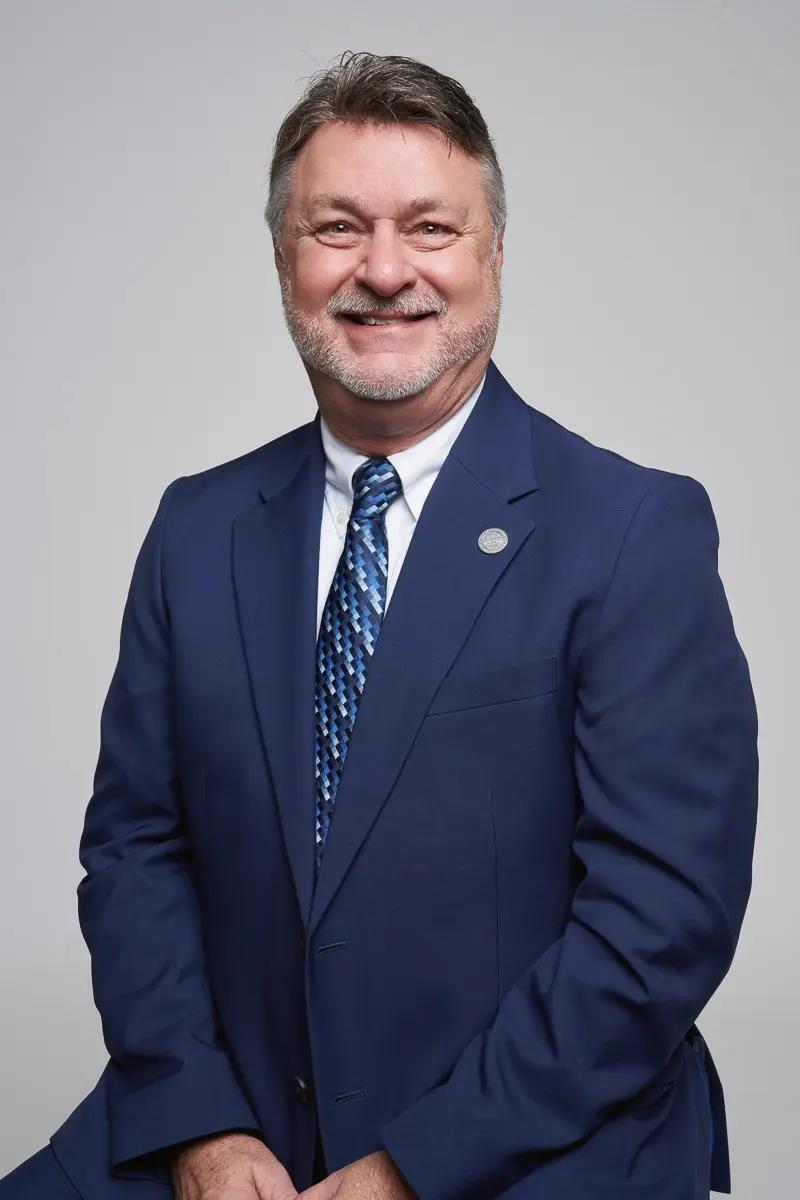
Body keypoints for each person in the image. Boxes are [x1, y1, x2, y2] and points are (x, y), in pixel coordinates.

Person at [1, 50, 758, 1200]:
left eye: (430, 229)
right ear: (281, 260)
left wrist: (411, 1166)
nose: (384, 270)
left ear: (495, 254)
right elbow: (134, 854)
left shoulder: (631, 529)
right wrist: (201, 1125)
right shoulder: (196, 530)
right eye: (337, 228)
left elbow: (657, 923)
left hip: (525, 1137)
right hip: (232, 1119)